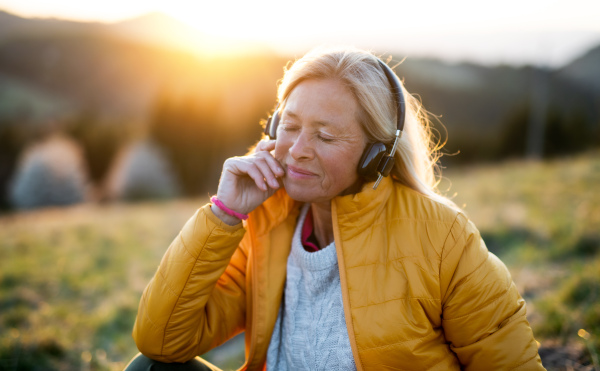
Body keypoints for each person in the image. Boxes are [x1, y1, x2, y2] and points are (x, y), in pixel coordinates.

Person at [126, 47, 545, 370]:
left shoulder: (443, 238)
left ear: (375, 156)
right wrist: (224, 215)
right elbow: (161, 340)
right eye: (289, 127)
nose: (298, 151)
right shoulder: (266, 222)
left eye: (325, 137)